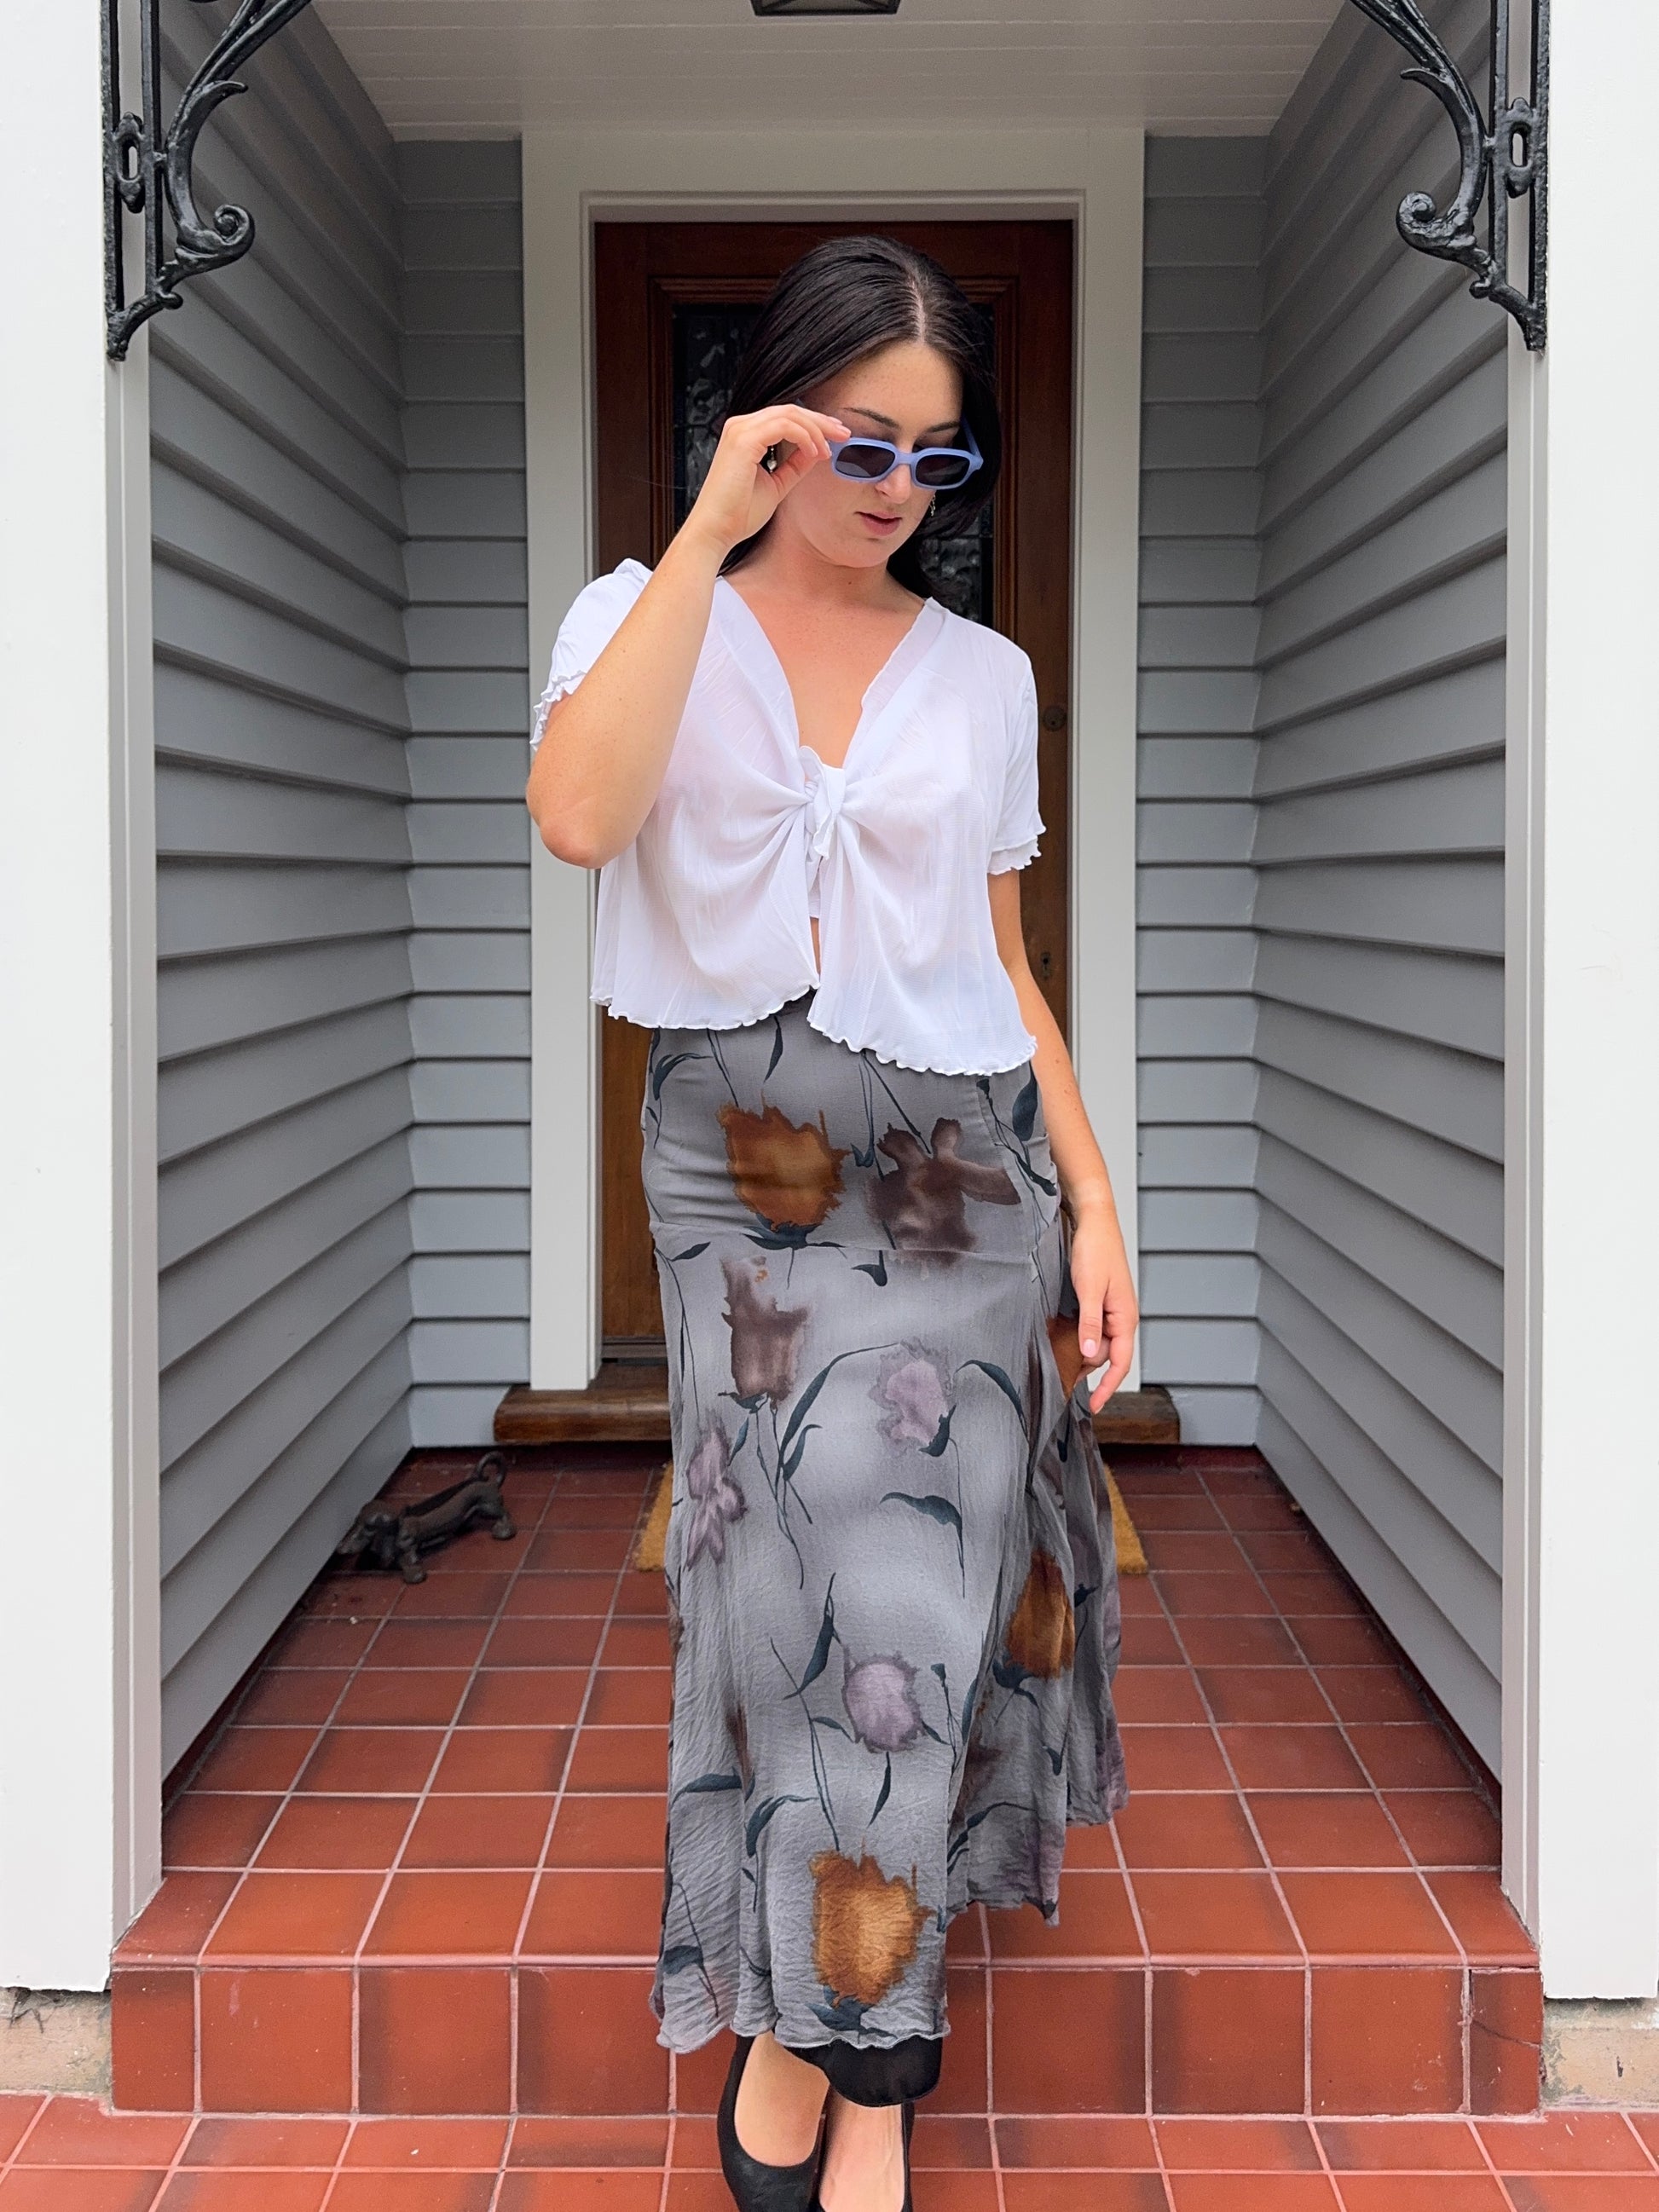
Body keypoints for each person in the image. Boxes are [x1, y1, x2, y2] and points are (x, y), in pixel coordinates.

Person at [525, 234, 1135, 2212]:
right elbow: (578, 816)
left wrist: (1095, 1194)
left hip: (953, 1172)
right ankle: (828, 1999)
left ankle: (851, 2051)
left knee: (915, 1593)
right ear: (772, 424)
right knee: (780, 1578)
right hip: (739, 1166)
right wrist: (708, 532)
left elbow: (1003, 965)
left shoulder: (985, 677)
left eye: (936, 459)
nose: (895, 490)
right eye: (860, 443)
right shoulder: (642, 614)